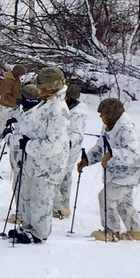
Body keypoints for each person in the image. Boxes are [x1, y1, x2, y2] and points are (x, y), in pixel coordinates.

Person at [6, 67, 69, 244]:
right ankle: (27, 227)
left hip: (48, 165)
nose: (39, 89)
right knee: (27, 195)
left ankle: (39, 233)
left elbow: (53, 145)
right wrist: (18, 139)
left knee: (41, 200)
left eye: (42, 86)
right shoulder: (45, 103)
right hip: (32, 161)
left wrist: (29, 145)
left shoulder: (58, 109)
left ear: (52, 87)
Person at [77, 98, 140, 242]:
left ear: (112, 115)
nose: (100, 117)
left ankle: (111, 231)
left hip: (128, 172)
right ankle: (135, 232)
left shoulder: (127, 129)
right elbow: (101, 146)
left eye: (103, 114)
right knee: (123, 202)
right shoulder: (109, 126)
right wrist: (87, 159)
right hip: (116, 172)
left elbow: (133, 152)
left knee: (106, 198)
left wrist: (113, 155)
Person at [54, 83, 87, 219]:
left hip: (68, 150)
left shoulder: (76, 114)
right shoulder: (71, 110)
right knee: (65, 177)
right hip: (67, 150)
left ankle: (57, 208)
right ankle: (63, 206)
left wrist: (64, 142)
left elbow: (77, 135)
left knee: (55, 178)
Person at [0, 64, 24, 148]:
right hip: (5, 108)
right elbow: (5, 97)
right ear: (17, 72)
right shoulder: (8, 81)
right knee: (1, 125)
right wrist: (16, 101)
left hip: (15, 108)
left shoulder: (17, 81)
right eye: (21, 73)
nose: (22, 75)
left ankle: (18, 140)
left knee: (20, 125)